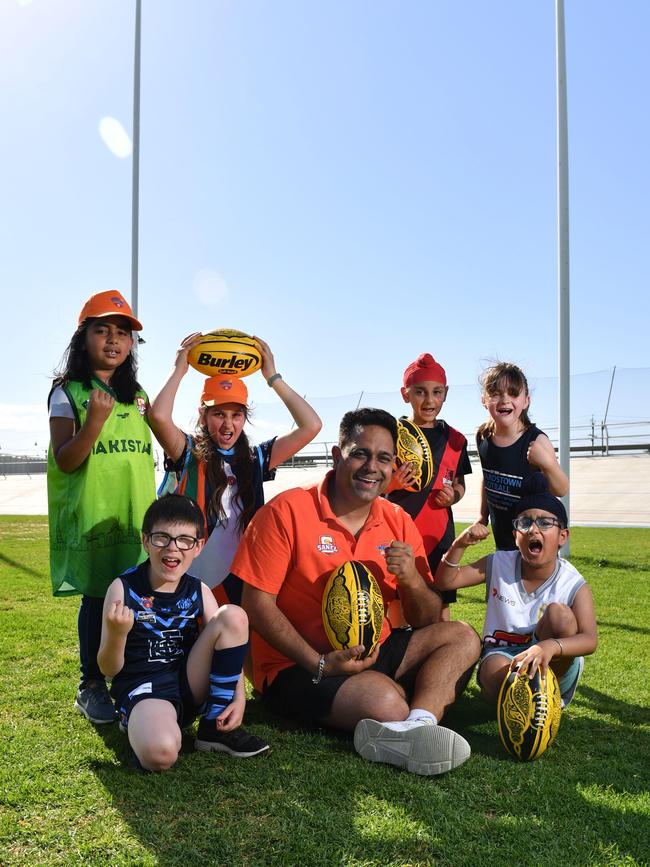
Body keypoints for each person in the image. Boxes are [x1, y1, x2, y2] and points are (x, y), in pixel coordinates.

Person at [231, 407, 481, 777]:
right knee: (385, 702)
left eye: (383, 458)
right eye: (360, 453)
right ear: (338, 454)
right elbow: (256, 604)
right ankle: (401, 714)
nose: (371, 467)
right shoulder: (286, 511)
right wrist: (318, 662)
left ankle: (418, 725)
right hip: (299, 665)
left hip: (374, 651)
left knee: (461, 636)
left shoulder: (397, 521)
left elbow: (428, 619)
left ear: (394, 465)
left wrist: (411, 578)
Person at [47, 290, 156, 725]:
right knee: (98, 598)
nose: (113, 340)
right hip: (93, 515)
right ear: (83, 337)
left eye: (122, 333)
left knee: (137, 595)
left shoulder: (138, 393)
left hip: (134, 514)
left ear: (131, 345)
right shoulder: (67, 390)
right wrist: (93, 422)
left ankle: (129, 680)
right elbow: (66, 458)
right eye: (102, 330)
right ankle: (90, 684)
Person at [98, 494, 268, 770]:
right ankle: (142, 722)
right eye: (162, 538)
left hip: (189, 683)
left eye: (184, 540)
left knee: (233, 616)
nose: (172, 549)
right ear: (146, 540)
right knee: (161, 754)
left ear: (198, 546)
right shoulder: (123, 588)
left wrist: (238, 696)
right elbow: (108, 669)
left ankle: (213, 728)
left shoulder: (198, 589)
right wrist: (117, 634)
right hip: (146, 689)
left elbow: (229, 643)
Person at [148, 333, 321, 605]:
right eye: (219, 414)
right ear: (203, 415)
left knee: (237, 643)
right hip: (194, 574)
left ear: (245, 417)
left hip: (242, 575)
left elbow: (311, 425)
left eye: (236, 415)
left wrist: (273, 378)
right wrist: (179, 369)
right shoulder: (189, 452)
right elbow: (157, 416)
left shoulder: (255, 459)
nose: (228, 425)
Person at [435, 473, 597, 708]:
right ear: (515, 535)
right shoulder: (499, 563)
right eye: (525, 522)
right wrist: (459, 544)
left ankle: (546, 695)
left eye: (545, 523)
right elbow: (445, 581)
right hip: (505, 655)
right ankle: (524, 702)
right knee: (492, 672)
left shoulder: (572, 582)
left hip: (552, 659)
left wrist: (549, 646)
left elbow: (590, 640)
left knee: (559, 615)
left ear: (563, 536)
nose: (533, 529)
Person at [386, 353, 471, 621]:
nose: (429, 400)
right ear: (405, 394)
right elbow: (373, 485)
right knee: (397, 605)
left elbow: (460, 484)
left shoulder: (456, 440)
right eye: (420, 392)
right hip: (397, 533)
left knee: (439, 604)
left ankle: (443, 653)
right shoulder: (392, 434)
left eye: (436, 392)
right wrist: (394, 482)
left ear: (445, 394)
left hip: (438, 536)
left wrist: (453, 496)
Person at [471, 361, 569, 550]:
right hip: (503, 544)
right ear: (484, 400)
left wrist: (548, 464)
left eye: (513, 394)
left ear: (526, 401)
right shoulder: (483, 436)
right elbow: (488, 477)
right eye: (496, 394)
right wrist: (482, 516)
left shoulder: (537, 441)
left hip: (534, 546)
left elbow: (561, 489)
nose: (505, 400)